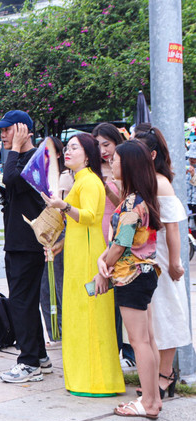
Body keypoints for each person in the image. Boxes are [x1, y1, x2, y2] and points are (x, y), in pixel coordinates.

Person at [42, 134, 124, 396]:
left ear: (88, 155)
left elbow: (89, 217)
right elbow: (78, 223)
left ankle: (95, 380)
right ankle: (83, 378)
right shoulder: (81, 180)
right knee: (78, 315)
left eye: (74, 148)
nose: (68, 152)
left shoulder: (89, 181)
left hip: (88, 256)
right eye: (67, 148)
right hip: (78, 253)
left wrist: (63, 205)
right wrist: (59, 244)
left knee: (89, 316)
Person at [98, 139, 162, 419]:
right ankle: (154, 399)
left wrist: (104, 262)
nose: (111, 162)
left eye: (116, 159)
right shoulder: (142, 199)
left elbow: (120, 244)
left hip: (131, 276)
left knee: (139, 342)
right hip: (144, 274)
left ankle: (148, 403)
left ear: (130, 164)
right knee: (147, 340)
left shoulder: (131, 203)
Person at [0, 110, 51, 383]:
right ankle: (40, 356)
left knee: (21, 302)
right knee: (25, 302)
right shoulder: (20, 159)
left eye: (8, 130)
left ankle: (28, 363)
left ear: (23, 130)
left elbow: (13, 179)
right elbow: (10, 184)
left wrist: (13, 149)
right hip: (17, 241)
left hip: (27, 242)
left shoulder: (37, 158)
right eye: (1, 131)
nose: (3, 135)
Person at [134, 124, 190, 398]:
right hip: (146, 259)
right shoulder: (142, 180)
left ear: (153, 154)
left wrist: (175, 263)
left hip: (163, 260)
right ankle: (155, 374)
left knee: (166, 314)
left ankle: (166, 375)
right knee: (151, 318)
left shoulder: (161, 183)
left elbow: (173, 229)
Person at [92, 122, 135, 369]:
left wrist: (107, 186)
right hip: (99, 237)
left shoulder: (124, 171)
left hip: (120, 239)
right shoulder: (92, 170)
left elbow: (125, 205)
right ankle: (112, 348)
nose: (102, 151)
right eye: (97, 146)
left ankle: (128, 352)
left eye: (106, 145)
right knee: (104, 295)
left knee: (123, 294)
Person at [38, 136, 65, 349]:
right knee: (44, 288)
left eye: (48, 152)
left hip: (61, 237)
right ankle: (54, 333)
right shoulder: (37, 177)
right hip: (42, 237)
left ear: (58, 154)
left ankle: (63, 332)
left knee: (59, 286)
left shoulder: (64, 177)